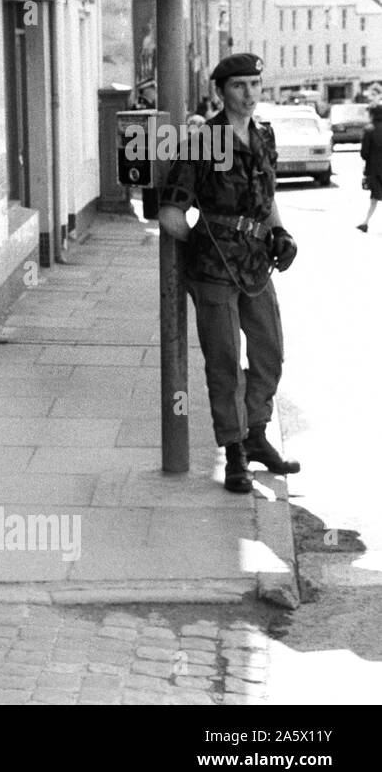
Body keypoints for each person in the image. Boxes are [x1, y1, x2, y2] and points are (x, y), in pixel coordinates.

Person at [158, 54, 302, 493]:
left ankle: (257, 433)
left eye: (256, 84)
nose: (250, 94)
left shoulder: (264, 135)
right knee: (223, 363)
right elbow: (170, 214)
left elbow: (268, 193)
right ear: (222, 90)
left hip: (258, 264)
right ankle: (235, 451)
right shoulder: (205, 139)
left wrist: (281, 232)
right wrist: (202, 247)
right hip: (215, 269)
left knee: (269, 352)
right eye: (240, 86)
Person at [357, 103, 382, 232]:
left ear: (372, 114)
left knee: (375, 196)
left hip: (374, 169)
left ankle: (365, 222)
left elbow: (364, 153)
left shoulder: (369, 130)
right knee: (375, 196)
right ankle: (365, 222)